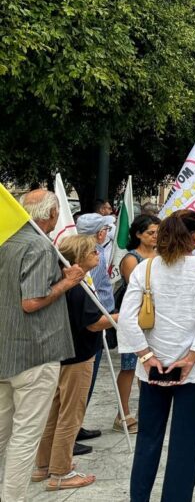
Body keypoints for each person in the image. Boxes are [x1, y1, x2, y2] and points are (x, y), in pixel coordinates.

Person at [118, 210, 195, 502]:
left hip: (152, 364)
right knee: (185, 444)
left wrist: (145, 355)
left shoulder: (145, 268)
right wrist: (190, 359)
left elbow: (126, 318)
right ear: (194, 237)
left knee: (148, 440)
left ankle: (139, 497)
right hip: (191, 368)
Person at [0, 190, 82, 502]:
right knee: (24, 437)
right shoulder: (37, 245)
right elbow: (31, 301)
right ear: (50, 215)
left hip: (6, 349)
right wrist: (67, 282)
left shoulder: (5, 241)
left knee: (2, 434)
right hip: (34, 352)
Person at [33, 235, 119, 491]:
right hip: (78, 356)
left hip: (59, 354)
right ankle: (60, 472)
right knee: (70, 414)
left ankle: (43, 466)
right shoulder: (76, 285)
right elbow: (93, 322)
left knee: (54, 413)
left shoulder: (61, 279)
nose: (97, 254)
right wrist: (123, 316)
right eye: (92, 250)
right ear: (79, 256)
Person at [114, 214, 161, 434]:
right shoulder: (131, 259)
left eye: (158, 232)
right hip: (136, 317)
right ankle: (123, 414)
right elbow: (137, 289)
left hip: (155, 318)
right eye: (151, 233)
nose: (155, 237)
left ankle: (148, 411)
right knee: (129, 367)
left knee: (148, 365)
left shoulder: (160, 255)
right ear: (138, 235)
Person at [74, 213, 116, 428]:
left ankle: (76, 426)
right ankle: (74, 430)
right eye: (106, 230)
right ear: (100, 233)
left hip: (93, 317)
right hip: (97, 319)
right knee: (84, 382)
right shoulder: (93, 255)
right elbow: (96, 289)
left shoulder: (79, 251)